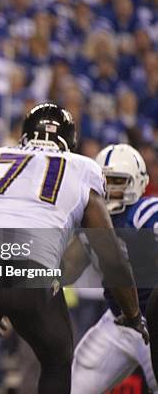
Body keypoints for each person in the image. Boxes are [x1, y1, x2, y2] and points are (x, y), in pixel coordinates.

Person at [0, 103, 147, 394]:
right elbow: (110, 256)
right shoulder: (82, 168)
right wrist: (132, 313)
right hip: (34, 275)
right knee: (57, 361)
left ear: (25, 136)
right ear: (69, 141)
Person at [69, 144, 157, 392]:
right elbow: (67, 269)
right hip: (119, 320)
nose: (110, 190)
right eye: (105, 181)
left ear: (138, 182)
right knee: (76, 383)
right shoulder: (92, 221)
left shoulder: (145, 213)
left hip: (153, 323)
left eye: (118, 181)